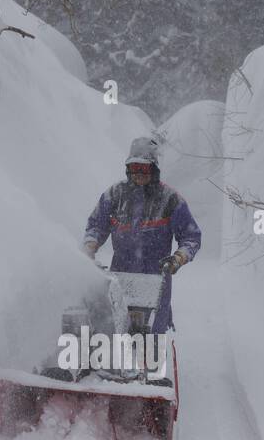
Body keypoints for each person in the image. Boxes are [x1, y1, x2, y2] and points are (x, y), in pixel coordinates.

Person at [82, 137, 201, 332]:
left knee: (151, 341)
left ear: (154, 169)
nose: (138, 173)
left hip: (156, 282)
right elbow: (96, 226)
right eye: (134, 167)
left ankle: (151, 360)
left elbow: (191, 237)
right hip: (120, 279)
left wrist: (179, 258)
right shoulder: (114, 195)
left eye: (144, 168)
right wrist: (90, 247)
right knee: (114, 334)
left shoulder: (170, 200)